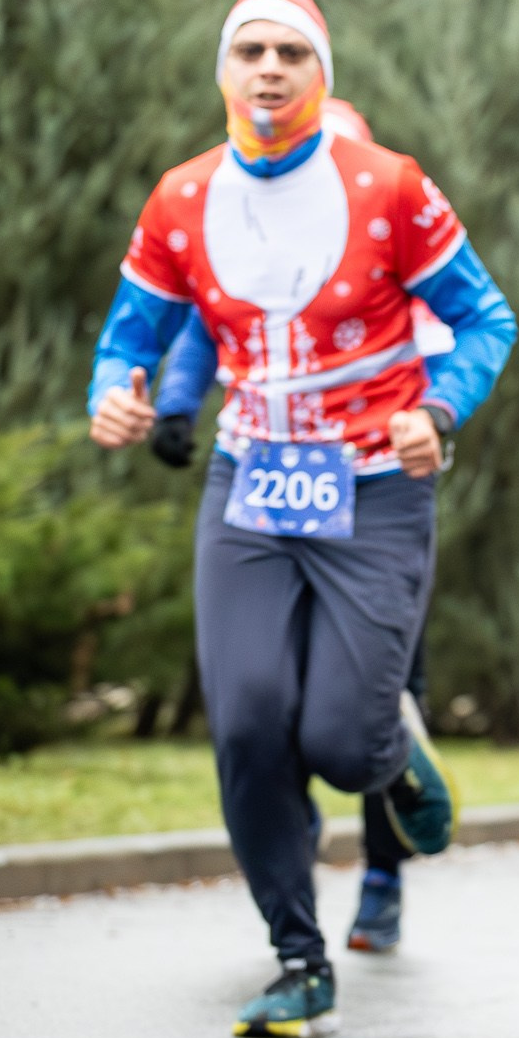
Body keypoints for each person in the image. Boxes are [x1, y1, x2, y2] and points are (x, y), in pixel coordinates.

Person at [87, 0, 516, 1038]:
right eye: (249, 52)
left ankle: (390, 751)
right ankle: (298, 957)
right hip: (251, 485)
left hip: (373, 482)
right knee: (242, 721)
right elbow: (132, 332)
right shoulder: (182, 198)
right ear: (222, 72)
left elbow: (485, 320)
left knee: (336, 738)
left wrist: (440, 407)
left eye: (289, 51)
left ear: (321, 71)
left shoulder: (388, 186)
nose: (269, 69)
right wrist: (115, 389)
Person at [144, 98, 455, 957]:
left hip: (377, 495)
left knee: (368, 712)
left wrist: (432, 417)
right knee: (267, 702)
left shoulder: (395, 253)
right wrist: (174, 405)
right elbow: (213, 329)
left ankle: (384, 882)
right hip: (274, 498)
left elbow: (450, 351)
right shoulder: (254, 242)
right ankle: (294, 862)